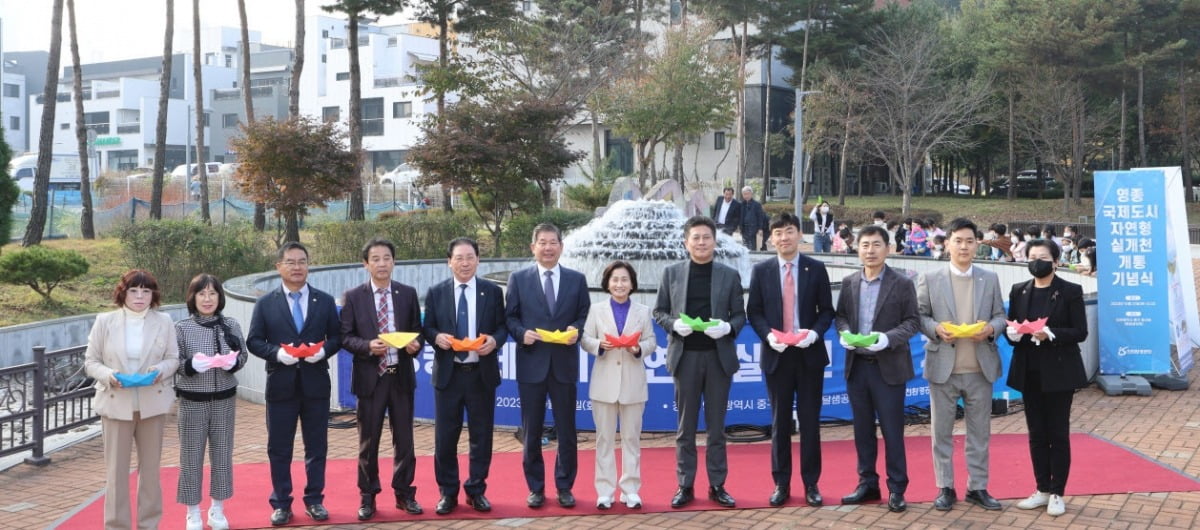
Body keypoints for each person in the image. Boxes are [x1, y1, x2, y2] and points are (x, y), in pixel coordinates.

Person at [246, 242, 342, 526]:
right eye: (290, 262)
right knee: (279, 448)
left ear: (308, 265)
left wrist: (323, 351)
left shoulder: (324, 301)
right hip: (281, 385)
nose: (297, 267)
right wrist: (277, 354)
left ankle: (314, 500)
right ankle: (281, 503)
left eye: (302, 261)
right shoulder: (266, 303)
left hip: (315, 386)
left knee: (317, 447)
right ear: (279, 267)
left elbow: (337, 337)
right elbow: (254, 340)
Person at [653, 216, 746, 509]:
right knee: (685, 427)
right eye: (696, 237)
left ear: (714, 241)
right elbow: (659, 311)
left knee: (717, 427)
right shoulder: (671, 273)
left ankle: (717, 484)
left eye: (706, 237)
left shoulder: (729, 276)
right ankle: (685, 484)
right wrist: (672, 325)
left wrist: (728, 328)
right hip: (685, 356)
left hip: (718, 358)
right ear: (686, 242)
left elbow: (739, 316)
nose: (701, 242)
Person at [916, 218, 1007, 512]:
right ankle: (945, 487)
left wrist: (991, 330)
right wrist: (936, 329)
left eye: (970, 241)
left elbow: (1000, 316)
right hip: (943, 368)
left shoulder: (989, 278)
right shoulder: (930, 278)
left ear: (977, 244)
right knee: (941, 433)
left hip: (980, 368)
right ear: (947, 243)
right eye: (958, 240)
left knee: (979, 434)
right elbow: (919, 316)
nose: (964, 246)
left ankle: (977, 488)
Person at [746, 212, 835, 508]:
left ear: (799, 234)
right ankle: (781, 483)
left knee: (810, 422)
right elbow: (754, 312)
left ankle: (812, 483)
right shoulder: (761, 271)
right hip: (777, 356)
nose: (784, 238)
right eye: (778, 233)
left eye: (789, 231)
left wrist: (815, 333)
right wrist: (768, 336)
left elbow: (827, 311)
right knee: (779, 422)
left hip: (809, 356)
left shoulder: (816, 268)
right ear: (771, 238)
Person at [84, 269, 180, 530]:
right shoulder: (105, 321)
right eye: (134, 290)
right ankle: (117, 526)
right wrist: (110, 375)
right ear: (123, 293)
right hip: (116, 403)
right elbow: (91, 362)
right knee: (116, 474)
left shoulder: (164, 321)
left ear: (153, 295)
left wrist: (160, 370)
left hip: (153, 403)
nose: (140, 296)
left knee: (150, 472)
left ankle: (149, 525)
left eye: (146, 291)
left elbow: (173, 359)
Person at [834, 226, 921, 513]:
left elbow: (912, 322)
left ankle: (897, 488)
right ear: (856, 249)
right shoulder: (848, 282)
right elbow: (842, 317)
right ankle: (867, 483)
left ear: (888, 248)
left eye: (876, 245)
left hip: (889, 367)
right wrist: (845, 334)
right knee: (861, 430)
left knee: (892, 431)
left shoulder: (902, 283)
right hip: (857, 367)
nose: (869, 251)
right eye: (864, 245)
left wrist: (887, 339)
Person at [505, 223, 591, 509]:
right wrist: (521, 334)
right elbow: (511, 318)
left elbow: (582, 315)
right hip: (532, 364)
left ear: (561, 247)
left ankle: (565, 486)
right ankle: (536, 488)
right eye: (542, 242)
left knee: (567, 429)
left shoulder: (576, 280)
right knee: (532, 430)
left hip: (564, 364)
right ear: (533, 247)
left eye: (553, 242)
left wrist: (576, 330)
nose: (548, 247)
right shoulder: (519, 279)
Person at [339, 238, 425, 521]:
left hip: (400, 376)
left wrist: (416, 345)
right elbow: (345, 337)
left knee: (405, 440)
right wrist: (367, 346)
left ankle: (404, 493)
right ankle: (368, 496)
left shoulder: (407, 294)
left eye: (387, 258)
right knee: (369, 441)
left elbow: (417, 331)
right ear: (366, 264)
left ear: (394, 261)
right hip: (370, 378)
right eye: (375, 259)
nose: (382, 263)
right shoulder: (353, 296)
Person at [423, 237, 509, 515]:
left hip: (480, 375)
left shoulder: (492, 292)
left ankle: (476, 490)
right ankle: (448, 492)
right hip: (449, 375)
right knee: (445, 438)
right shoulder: (436, 292)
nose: (464, 263)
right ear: (449, 261)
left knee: (481, 436)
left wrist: (494, 341)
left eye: (470, 257)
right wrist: (437, 337)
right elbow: (427, 328)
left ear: (478, 260)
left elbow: (502, 327)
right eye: (459, 258)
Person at [1005, 239, 1089, 517]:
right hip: (1029, 371)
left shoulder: (1070, 291)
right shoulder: (1019, 290)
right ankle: (1041, 489)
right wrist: (1014, 334)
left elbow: (1080, 331)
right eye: (1032, 256)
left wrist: (1051, 333)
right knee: (1036, 433)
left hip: (1059, 371)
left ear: (1055, 261)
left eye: (1043, 257)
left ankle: (1057, 492)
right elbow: (1013, 326)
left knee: (1058, 432)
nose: (1036, 261)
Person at [580, 261, 657, 510]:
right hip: (604, 383)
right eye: (615, 279)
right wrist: (599, 345)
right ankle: (604, 490)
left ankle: (631, 489)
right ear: (607, 283)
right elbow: (585, 338)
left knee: (631, 439)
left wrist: (639, 349)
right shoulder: (596, 310)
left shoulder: (643, 311)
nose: (619, 284)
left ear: (632, 283)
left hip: (633, 384)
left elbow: (652, 341)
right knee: (604, 439)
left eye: (624, 279)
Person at [174, 274, 247, 530]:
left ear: (220, 297)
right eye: (201, 294)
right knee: (191, 456)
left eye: (212, 293)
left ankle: (217, 509)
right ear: (192, 297)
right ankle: (192, 511)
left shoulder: (230, 324)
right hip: (192, 401)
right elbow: (176, 363)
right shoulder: (182, 327)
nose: (207, 299)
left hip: (224, 399)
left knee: (222, 455)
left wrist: (233, 362)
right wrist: (191, 366)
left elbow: (243, 355)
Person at [739, 186, 769, 251]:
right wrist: (740, 227)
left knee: (753, 246)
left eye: (747, 194)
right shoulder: (741, 204)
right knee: (745, 246)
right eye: (744, 194)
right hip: (744, 229)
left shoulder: (757, 204)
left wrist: (760, 228)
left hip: (754, 228)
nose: (746, 196)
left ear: (751, 194)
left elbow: (760, 217)